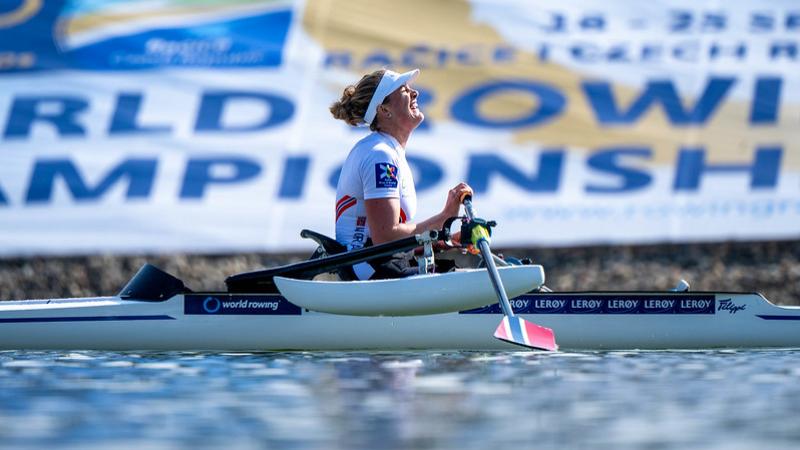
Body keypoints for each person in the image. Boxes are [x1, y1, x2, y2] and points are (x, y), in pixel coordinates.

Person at [330, 68, 472, 280]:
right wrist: (444, 218)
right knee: (468, 280)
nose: (415, 93)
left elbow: (392, 243)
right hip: (366, 268)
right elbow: (385, 237)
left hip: (376, 263)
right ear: (384, 109)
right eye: (404, 90)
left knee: (461, 273)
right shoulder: (380, 155)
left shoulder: (387, 151)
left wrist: (444, 241)